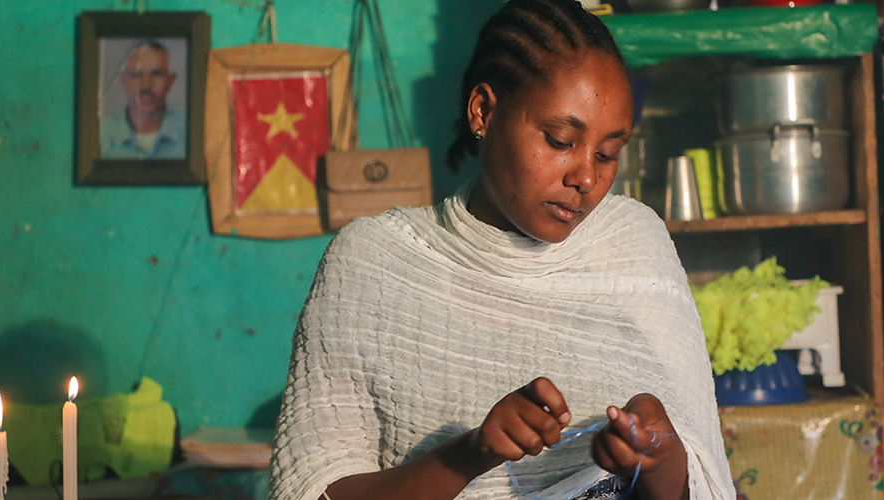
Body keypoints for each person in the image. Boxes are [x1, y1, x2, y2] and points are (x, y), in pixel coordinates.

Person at [269, 1, 734, 499]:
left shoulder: (632, 250)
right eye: (559, 140)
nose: (586, 177)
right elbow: (315, 491)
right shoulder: (375, 264)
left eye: (607, 154)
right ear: (484, 111)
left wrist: (661, 459)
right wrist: (471, 454)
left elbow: (698, 485)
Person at [100, 39, 186, 159]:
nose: (146, 85)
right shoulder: (101, 134)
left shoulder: (191, 131)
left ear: (170, 81)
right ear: (124, 81)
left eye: (156, 73)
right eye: (137, 74)